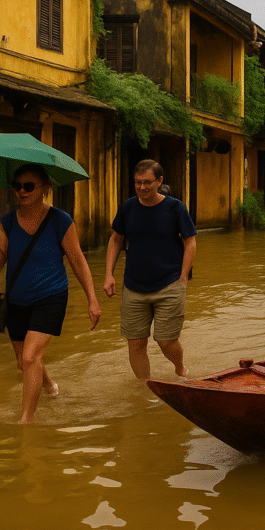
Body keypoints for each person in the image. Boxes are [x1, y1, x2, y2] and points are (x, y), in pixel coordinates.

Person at [0, 163, 102, 424]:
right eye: (17, 186)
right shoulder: (8, 222)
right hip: (16, 299)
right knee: (22, 361)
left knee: (29, 356)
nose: (22, 191)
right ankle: (48, 385)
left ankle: (26, 422)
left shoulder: (60, 220)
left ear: (44, 188)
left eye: (28, 186)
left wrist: (92, 299)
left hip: (51, 296)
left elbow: (78, 261)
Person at [104, 159, 196, 379]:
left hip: (169, 283)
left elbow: (189, 242)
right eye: (138, 183)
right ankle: (145, 389)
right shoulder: (128, 207)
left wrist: (183, 276)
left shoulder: (175, 208)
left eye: (147, 182)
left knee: (166, 341)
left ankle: (179, 368)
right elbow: (116, 239)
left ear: (159, 181)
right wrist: (108, 274)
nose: (142, 187)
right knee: (135, 344)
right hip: (134, 286)